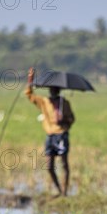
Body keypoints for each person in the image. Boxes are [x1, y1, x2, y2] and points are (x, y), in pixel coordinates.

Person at [25, 67, 75, 196]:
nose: (53, 90)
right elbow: (29, 95)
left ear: (58, 90)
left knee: (64, 163)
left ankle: (64, 192)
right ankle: (59, 190)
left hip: (61, 135)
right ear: (49, 90)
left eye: (55, 89)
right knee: (49, 166)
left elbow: (72, 119)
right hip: (50, 136)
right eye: (51, 89)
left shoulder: (64, 103)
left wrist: (63, 120)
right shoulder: (44, 102)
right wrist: (30, 78)